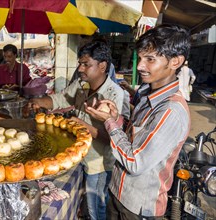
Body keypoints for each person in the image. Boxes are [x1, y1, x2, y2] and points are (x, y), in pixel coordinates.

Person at [85, 24, 191, 219]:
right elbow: (134, 137)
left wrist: (109, 122)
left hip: (137, 208)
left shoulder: (171, 111)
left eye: (150, 59)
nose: (140, 66)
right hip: (118, 193)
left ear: (175, 61)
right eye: (141, 58)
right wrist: (117, 119)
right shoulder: (146, 93)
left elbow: (135, 161)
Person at [25, 41, 130, 220]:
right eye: (80, 63)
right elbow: (60, 99)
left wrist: (80, 124)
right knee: (83, 204)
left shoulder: (115, 95)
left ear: (102, 66)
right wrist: (39, 102)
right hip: (78, 158)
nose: (80, 68)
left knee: (96, 209)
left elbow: (112, 138)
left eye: (86, 64)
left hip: (98, 164)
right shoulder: (82, 84)